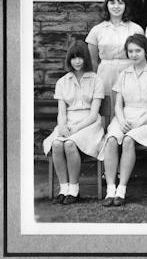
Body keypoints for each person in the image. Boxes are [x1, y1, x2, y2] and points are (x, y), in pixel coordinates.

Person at [99, 34, 147, 207]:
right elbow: (118, 105)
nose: (134, 54)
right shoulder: (123, 74)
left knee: (129, 140)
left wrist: (139, 123)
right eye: (130, 51)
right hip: (125, 117)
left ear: (146, 51)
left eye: (138, 51)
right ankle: (110, 189)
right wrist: (121, 121)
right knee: (112, 139)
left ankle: (121, 189)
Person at [42, 41, 105, 205]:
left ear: (86, 59)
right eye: (73, 58)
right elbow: (62, 112)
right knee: (57, 144)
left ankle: (74, 190)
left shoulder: (96, 80)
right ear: (69, 59)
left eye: (80, 57)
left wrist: (77, 128)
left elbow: (94, 114)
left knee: (70, 144)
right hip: (68, 121)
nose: (77, 61)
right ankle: (64, 189)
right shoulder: (62, 82)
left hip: (89, 123)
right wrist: (62, 126)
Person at [86, 0, 144, 119]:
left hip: (129, 71)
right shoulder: (97, 30)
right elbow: (93, 61)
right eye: (112, 3)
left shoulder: (136, 29)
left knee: (129, 104)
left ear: (126, 6)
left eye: (120, 3)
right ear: (106, 5)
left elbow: (142, 56)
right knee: (108, 106)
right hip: (106, 73)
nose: (116, 7)